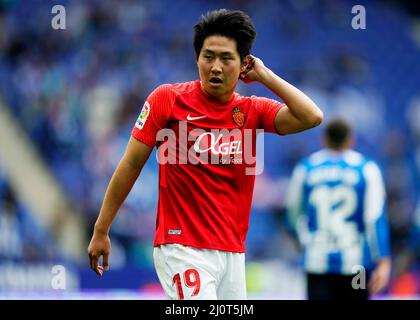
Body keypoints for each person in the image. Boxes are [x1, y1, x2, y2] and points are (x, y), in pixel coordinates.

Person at [88, 9, 323, 300]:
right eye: (208, 56)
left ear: (243, 64)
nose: (215, 66)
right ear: (197, 58)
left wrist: (264, 75)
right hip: (181, 247)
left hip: (232, 254)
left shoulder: (251, 111)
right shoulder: (167, 100)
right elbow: (132, 163)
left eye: (226, 58)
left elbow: (312, 116)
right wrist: (102, 228)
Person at [286, 119, 391, 300]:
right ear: (351, 140)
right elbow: (374, 218)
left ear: (324, 139)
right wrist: (383, 260)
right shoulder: (366, 169)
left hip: (316, 262)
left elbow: (293, 215)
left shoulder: (306, 168)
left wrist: (304, 241)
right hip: (356, 265)